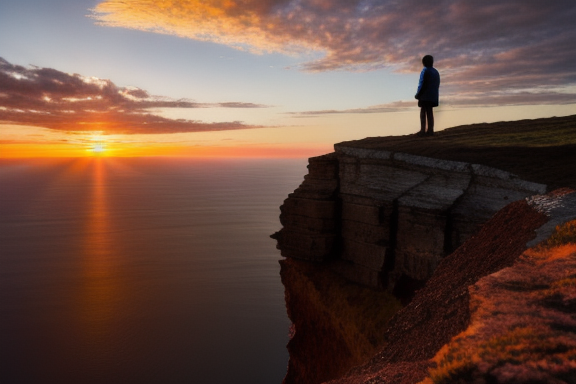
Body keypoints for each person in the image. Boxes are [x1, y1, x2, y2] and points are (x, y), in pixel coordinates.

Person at [415, 55, 440, 136]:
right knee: (429, 112)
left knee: (423, 112)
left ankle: (423, 130)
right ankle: (430, 130)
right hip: (433, 95)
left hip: (425, 95)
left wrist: (418, 94)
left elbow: (424, 84)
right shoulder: (435, 71)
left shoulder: (426, 71)